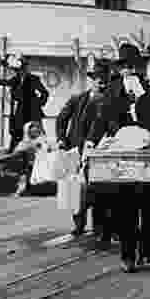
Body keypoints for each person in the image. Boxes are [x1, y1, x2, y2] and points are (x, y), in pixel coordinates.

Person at [93, 43, 150, 271]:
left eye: (132, 67)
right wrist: (90, 143)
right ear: (120, 69)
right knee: (125, 207)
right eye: (124, 67)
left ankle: (146, 254)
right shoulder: (112, 91)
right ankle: (127, 255)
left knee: (149, 206)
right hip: (123, 155)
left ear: (139, 67)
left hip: (148, 155)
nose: (128, 71)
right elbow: (102, 120)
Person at [56, 58, 112, 237]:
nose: (101, 84)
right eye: (98, 80)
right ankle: (78, 225)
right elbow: (61, 118)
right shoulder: (78, 99)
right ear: (92, 80)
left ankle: (100, 228)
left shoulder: (111, 102)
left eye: (104, 80)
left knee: (98, 189)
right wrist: (61, 139)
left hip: (99, 152)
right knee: (75, 188)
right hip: (75, 150)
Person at [0, 55, 49, 153]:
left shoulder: (34, 79)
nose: (18, 71)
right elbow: (3, 82)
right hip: (20, 111)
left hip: (32, 112)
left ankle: (41, 154)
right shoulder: (15, 79)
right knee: (16, 134)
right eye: (16, 70)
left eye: (20, 69)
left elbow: (45, 93)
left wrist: (37, 104)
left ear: (24, 68)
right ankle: (12, 153)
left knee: (37, 136)